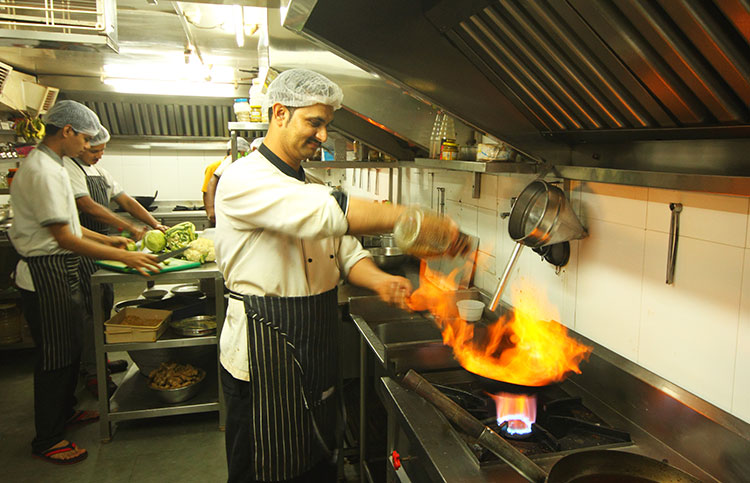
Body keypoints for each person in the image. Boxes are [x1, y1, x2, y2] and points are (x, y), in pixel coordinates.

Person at [214, 69, 462, 482]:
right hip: (262, 353)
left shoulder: (307, 182)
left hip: (314, 341)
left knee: (318, 460)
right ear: (280, 113)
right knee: (265, 468)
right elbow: (331, 213)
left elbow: (344, 251)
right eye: (314, 122)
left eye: (327, 124)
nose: (324, 135)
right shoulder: (245, 179)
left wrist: (380, 280)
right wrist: (411, 218)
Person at [9, 100, 160, 465]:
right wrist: (125, 257)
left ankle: (66, 411)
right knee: (56, 358)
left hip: (59, 270)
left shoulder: (53, 165)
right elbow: (63, 238)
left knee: (70, 348)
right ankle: (48, 438)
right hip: (45, 274)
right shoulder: (43, 170)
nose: (88, 146)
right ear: (68, 131)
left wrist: (111, 240)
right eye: (86, 139)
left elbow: (71, 226)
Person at [63, 126, 168, 397]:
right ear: (82, 145)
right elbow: (88, 207)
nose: (99, 155)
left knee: (102, 306)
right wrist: (130, 228)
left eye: (102, 150)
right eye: (95, 150)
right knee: (88, 312)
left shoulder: (99, 172)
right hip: (82, 248)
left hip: (104, 247)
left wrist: (154, 223)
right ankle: (92, 372)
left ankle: (101, 360)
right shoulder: (69, 169)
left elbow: (127, 201)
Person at [204, 136, 263, 227]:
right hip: (220, 212)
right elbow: (207, 190)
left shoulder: (246, 167)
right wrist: (210, 210)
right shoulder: (217, 166)